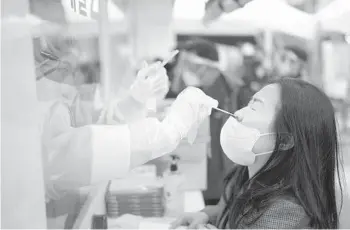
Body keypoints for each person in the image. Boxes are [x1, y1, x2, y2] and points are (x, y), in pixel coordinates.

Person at [171, 78, 343, 229]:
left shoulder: (285, 213)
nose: (237, 113)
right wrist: (207, 215)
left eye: (255, 108)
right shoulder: (244, 175)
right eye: (248, 104)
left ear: (284, 141)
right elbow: (231, 209)